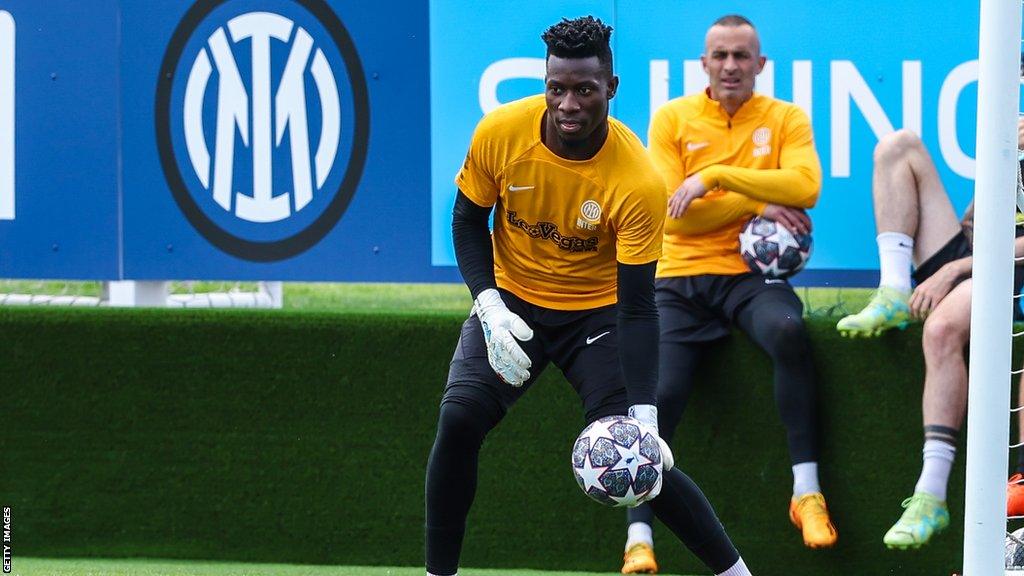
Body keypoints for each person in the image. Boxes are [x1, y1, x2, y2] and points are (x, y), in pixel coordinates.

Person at [423, 16, 753, 576]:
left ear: (611, 89)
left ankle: (735, 572)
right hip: (511, 309)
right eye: (556, 88)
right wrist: (489, 303)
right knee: (458, 422)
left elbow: (637, 305)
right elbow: (466, 220)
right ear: (545, 84)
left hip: (595, 319)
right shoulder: (500, 133)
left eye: (584, 90)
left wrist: (645, 415)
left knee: (640, 458)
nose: (568, 104)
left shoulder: (638, 181)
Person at [621, 14, 835, 574]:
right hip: (679, 278)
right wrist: (759, 201)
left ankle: (806, 493)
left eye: (743, 56)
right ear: (704, 64)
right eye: (721, 55)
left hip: (749, 277)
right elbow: (675, 215)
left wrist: (715, 175)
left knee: (789, 331)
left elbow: (806, 186)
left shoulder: (786, 117)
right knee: (660, 391)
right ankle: (639, 532)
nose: (732, 65)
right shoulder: (672, 118)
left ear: (761, 65)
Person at [835, 119, 1024, 548]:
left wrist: (954, 268)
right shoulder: (1012, 122)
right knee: (897, 147)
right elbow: (983, 222)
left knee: (939, 330)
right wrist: (1008, 157)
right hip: (982, 252)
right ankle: (894, 288)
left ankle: (930, 494)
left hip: (1010, 269)